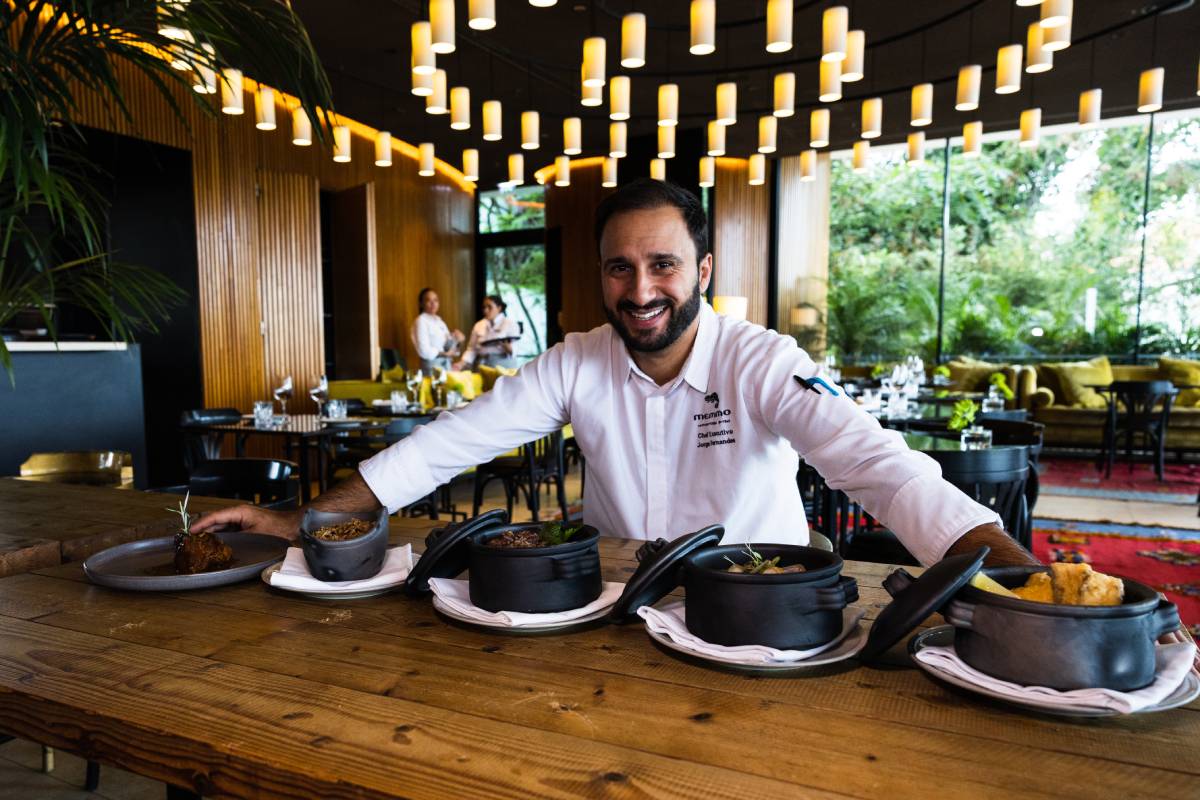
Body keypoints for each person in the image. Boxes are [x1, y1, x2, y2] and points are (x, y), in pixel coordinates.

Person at [195, 178, 1035, 569]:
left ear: (703, 270)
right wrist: (300, 516)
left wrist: (1024, 581)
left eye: (663, 265)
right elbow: (443, 446)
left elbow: (881, 470)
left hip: (754, 610)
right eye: (619, 269)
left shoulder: (761, 360)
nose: (641, 291)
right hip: (611, 612)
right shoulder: (577, 361)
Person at [455, 295, 521, 371]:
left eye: (490, 307)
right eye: (484, 307)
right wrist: (462, 363)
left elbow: (515, 351)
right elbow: (472, 349)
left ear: (499, 308)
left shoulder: (510, 324)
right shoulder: (479, 325)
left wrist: (506, 346)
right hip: (482, 364)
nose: (486, 310)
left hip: (503, 366)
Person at [410, 288, 464, 375]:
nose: (433, 303)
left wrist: (459, 341)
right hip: (432, 368)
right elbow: (424, 350)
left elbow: (449, 349)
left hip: (446, 367)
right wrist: (444, 354)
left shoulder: (440, 322)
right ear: (421, 304)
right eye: (428, 300)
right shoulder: (421, 321)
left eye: (436, 300)